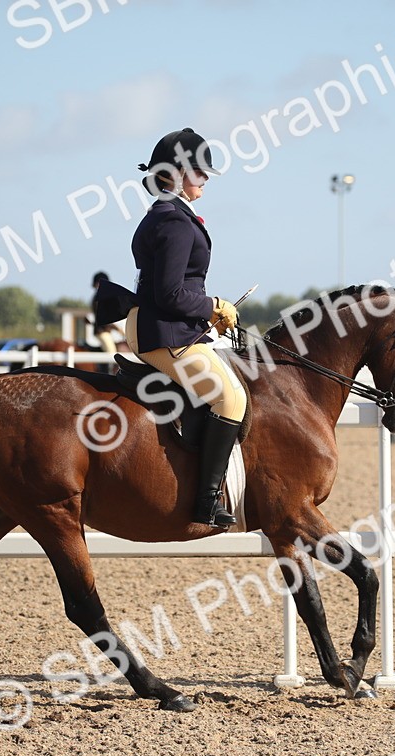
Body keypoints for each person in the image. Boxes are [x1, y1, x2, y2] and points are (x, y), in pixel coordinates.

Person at [126, 128, 246, 528]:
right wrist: (214, 306)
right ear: (177, 172)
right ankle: (206, 502)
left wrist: (209, 313)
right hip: (166, 332)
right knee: (231, 401)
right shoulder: (174, 221)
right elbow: (171, 293)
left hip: (168, 326)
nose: (206, 179)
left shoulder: (166, 213)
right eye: (200, 171)